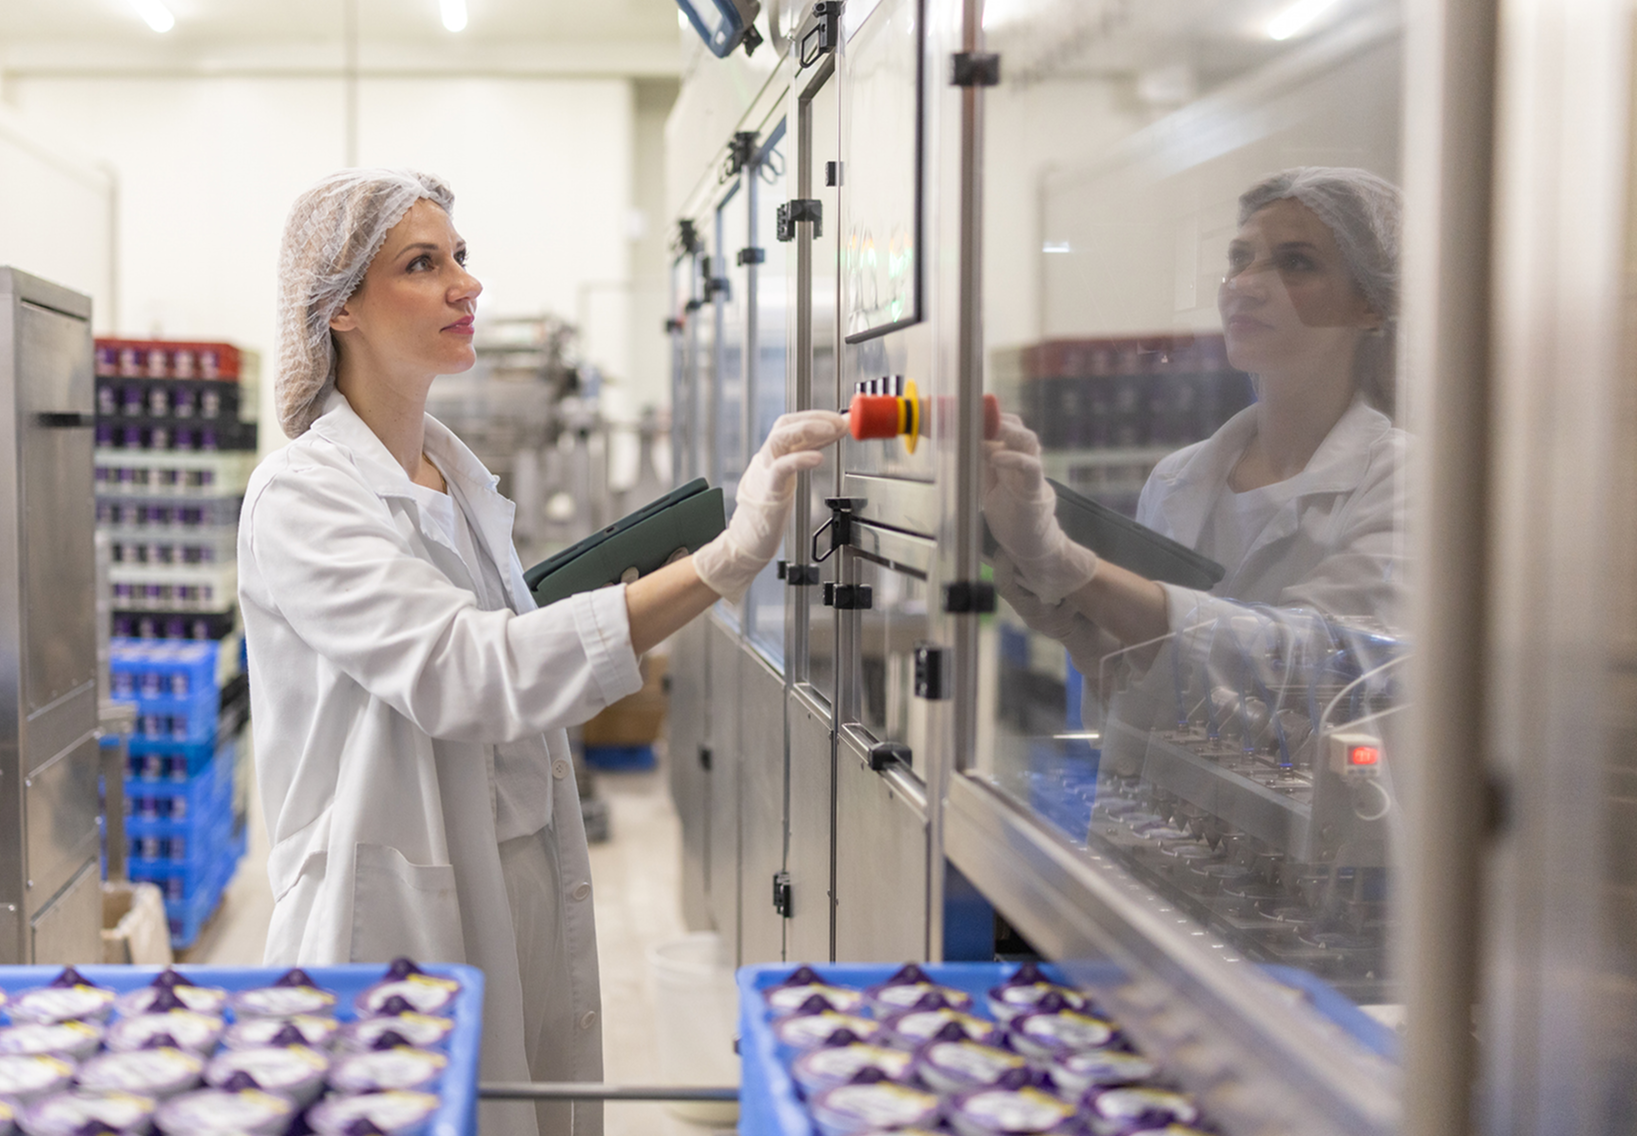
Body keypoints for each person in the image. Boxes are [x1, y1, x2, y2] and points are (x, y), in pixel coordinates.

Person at [238, 168, 845, 1136]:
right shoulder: (304, 495)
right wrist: (724, 560)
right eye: (422, 264)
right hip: (392, 916)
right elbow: (471, 673)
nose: (465, 284)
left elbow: (519, 656)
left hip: (510, 870)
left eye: (461, 257)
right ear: (339, 306)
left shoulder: (453, 478)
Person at [984, 167, 1406, 747]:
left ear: (1370, 306)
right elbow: (1143, 720)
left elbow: (1321, 669)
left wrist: (1075, 569)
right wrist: (1090, 642)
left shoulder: (1405, 480)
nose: (1247, 284)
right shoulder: (1178, 477)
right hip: (1158, 835)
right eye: (1240, 258)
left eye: (1296, 262)